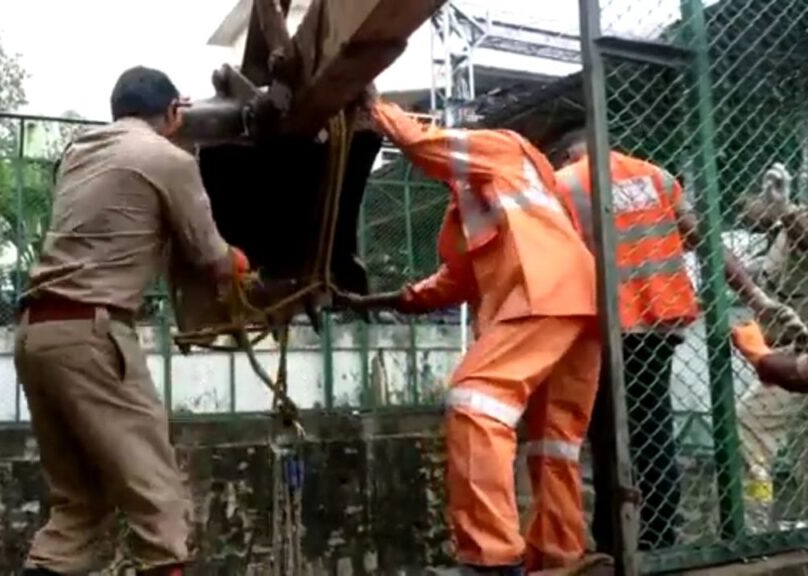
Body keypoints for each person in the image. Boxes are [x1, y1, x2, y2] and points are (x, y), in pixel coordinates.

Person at [339, 91, 601, 573]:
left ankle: (491, 560)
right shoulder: (476, 202)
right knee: (552, 439)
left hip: (542, 292)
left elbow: (426, 145)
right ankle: (559, 555)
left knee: (474, 402)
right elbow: (455, 278)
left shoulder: (504, 146)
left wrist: (376, 108)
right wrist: (384, 300)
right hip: (575, 301)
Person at [14, 66, 246, 576]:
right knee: (158, 499)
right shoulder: (168, 157)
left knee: (78, 504)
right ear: (170, 112)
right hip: (93, 336)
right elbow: (210, 256)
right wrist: (244, 266)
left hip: (36, 335)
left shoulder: (78, 153)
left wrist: (171, 121)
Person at [552, 129, 807, 551]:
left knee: (607, 434)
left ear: (566, 155)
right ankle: (657, 540)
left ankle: (617, 545)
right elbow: (703, 238)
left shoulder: (564, 184)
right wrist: (755, 297)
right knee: (653, 427)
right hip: (661, 322)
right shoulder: (656, 176)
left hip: (607, 325)